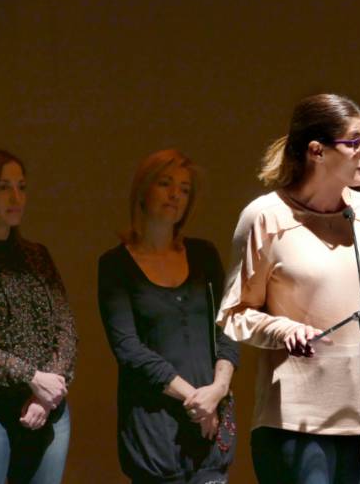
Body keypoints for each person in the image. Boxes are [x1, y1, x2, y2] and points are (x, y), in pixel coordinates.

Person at [217, 93, 360, 483]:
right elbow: (235, 313)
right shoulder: (265, 217)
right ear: (317, 151)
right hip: (296, 423)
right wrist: (284, 329)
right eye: (355, 142)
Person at [97, 149, 239, 483]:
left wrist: (217, 390)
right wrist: (194, 398)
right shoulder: (115, 265)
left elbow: (228, 326)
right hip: (154, 431)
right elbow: (128, 349)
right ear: (143, 191)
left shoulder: (204, 255)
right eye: (165, 184)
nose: (175, 194)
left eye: (184, 189)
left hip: (210, 424)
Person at [0, 149, 77, 484]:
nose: (16, 198)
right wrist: (30, 376)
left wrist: (45, 392)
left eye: (21, 187)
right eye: (4, 187)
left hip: (47, 403)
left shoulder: (37, 255)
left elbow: (66, 328)